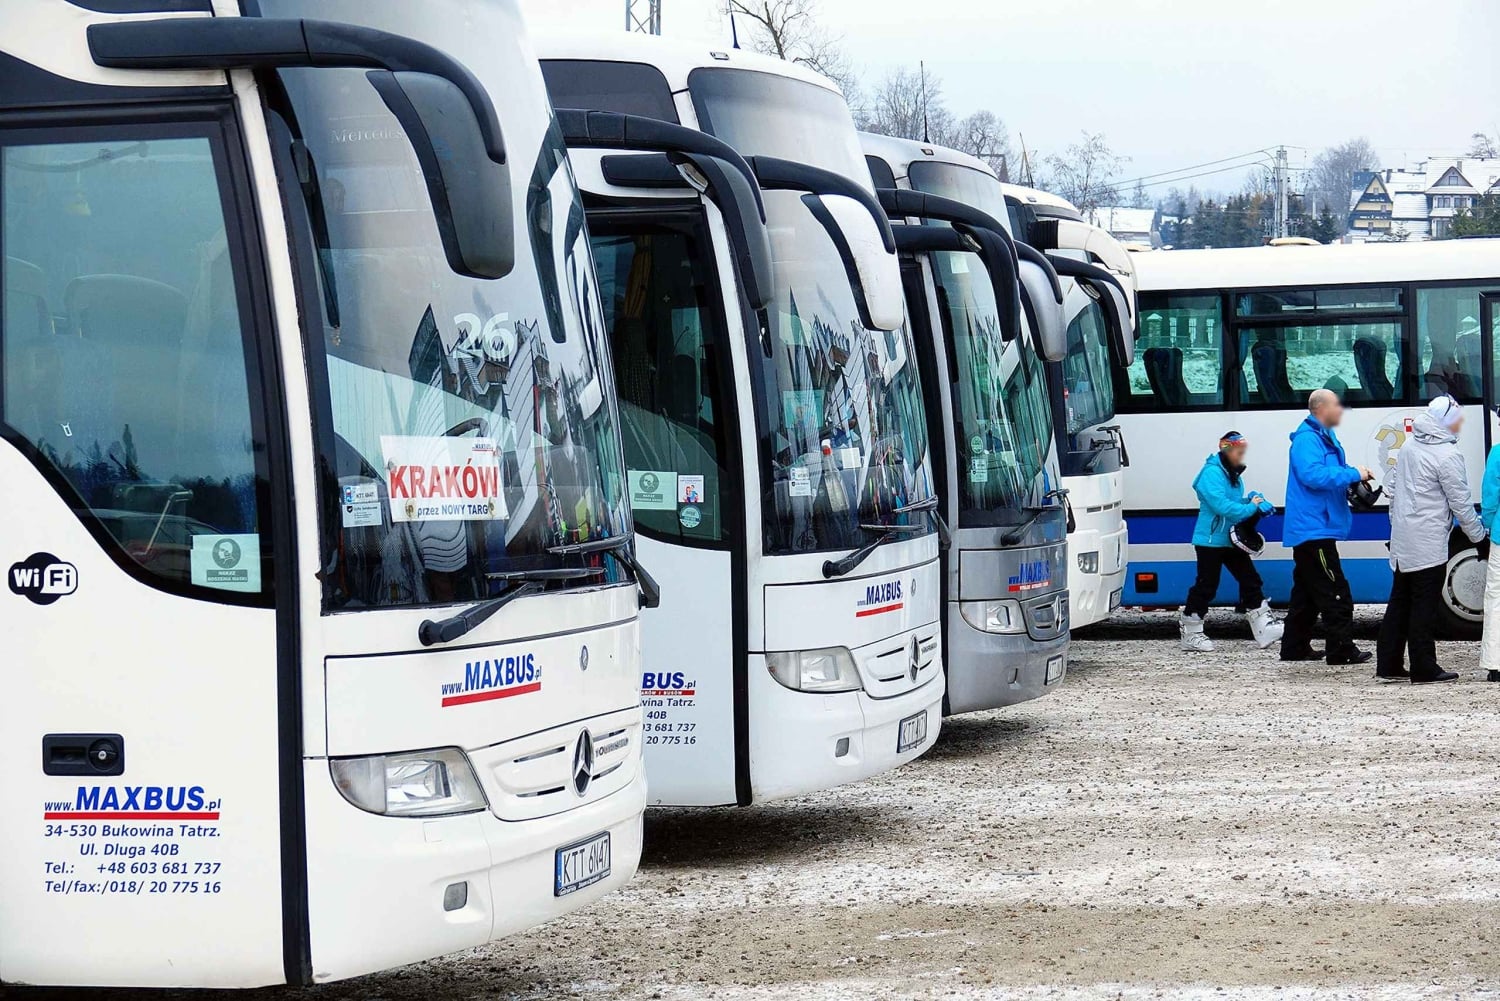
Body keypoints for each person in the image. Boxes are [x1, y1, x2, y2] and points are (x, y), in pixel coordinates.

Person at [1378, 396, 1486, 683]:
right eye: (1457, 418)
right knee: (1424, 605)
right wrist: (1479, 538)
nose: (1461, 423)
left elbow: (1393, 490)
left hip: (1403, 538)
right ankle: (1424, 667)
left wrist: (1396, 527)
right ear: (1445, 420)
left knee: (1400, 601)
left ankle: (1387, 663)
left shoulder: (1409, 447)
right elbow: (1460, 503)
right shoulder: (1447, 455)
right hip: (1427, 541)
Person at [1281, 389, 1376, 665]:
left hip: (1316, 527)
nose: (1341, 410)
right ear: (1321, 408)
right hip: (1314, 529)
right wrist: (1352, 473)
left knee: (1307, 593)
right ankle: (1341, 650)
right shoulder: (1308, 440)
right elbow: (1312, 475)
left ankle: (1294, 647)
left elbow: (1326, 474)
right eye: (1336, 405)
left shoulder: (1323, 437)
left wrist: (1353, 479)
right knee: (1336, 591)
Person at [1180, 432, 1282, 652]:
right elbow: (1222, 506)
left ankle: (1264, 627)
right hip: (1210, 541)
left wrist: (1254, 500)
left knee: (1250, 579)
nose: (1241, 457)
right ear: (1226, 450)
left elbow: (1234, 504)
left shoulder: (1232, 475)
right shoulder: (1211, 473)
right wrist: (1252, 506)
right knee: (1207, 585)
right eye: (1238, 452)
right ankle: (1191, 632)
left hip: (1229, 539)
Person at [1481, 422, 1500, 678]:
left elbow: (1490, 498)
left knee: (1496, 598)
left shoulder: (1497, 452)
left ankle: (1495, 664)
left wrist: (1488, 525)